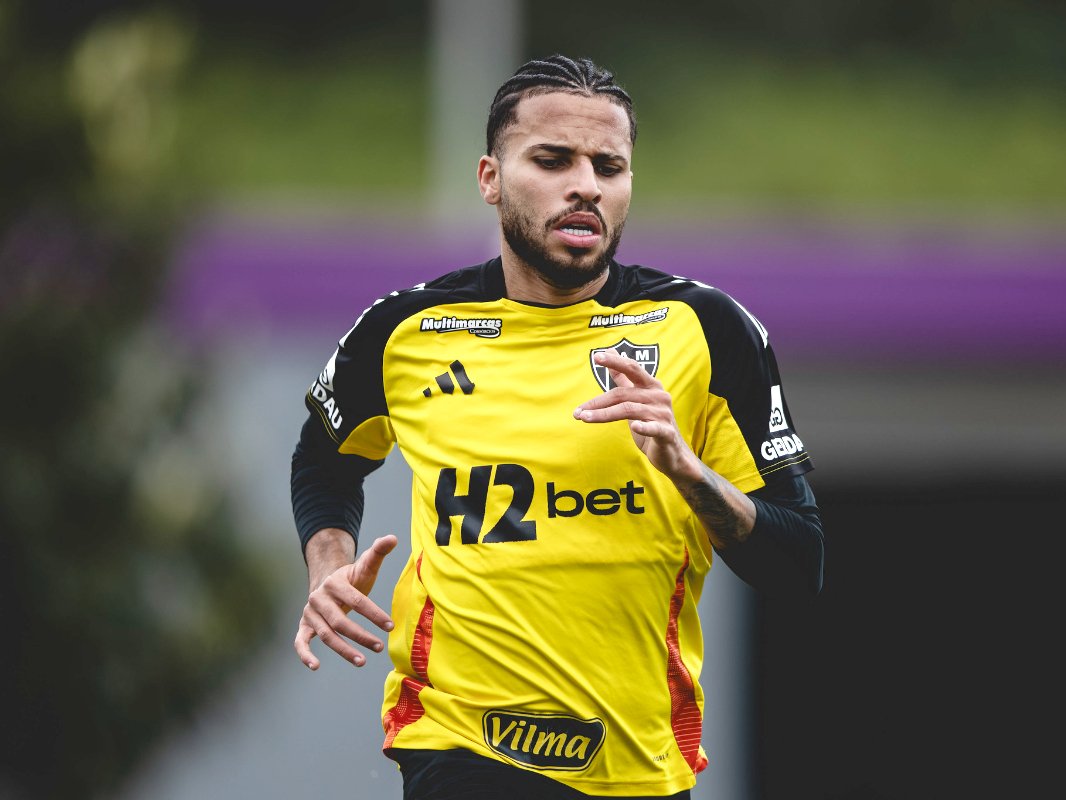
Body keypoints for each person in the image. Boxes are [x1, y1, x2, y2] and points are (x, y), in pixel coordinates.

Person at [291, 54, 823, 800]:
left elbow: (799, 563)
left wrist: (691, 475)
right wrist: (326, 565)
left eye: (610, 165)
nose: (586, 184)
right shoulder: (404, 330)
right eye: (553, 159)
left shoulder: (707, 331)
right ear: (490, 177)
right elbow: (326, 460)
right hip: (462, 744)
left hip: (640, 761)